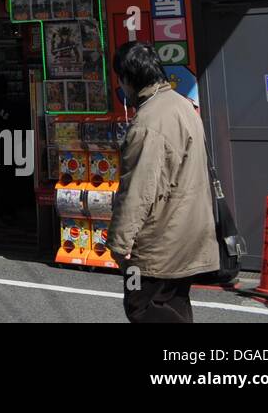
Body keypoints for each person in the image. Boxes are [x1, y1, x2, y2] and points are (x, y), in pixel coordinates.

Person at [109, 41, 217, 323]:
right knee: (174, 306)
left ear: (128, 78)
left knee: (142, 308)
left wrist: (120, 244)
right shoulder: (183, 105)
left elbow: (137, 192)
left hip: (158, 246)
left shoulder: (147, 123)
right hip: (189, 235)